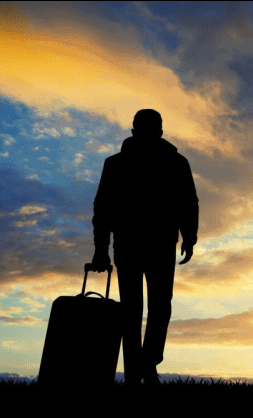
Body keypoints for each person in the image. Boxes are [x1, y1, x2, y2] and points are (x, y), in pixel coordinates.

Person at [91, 109, 199, 386]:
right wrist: (101, 248)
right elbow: (103, 208)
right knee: (134, 309)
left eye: (153, 128)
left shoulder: (177, 162)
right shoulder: (115, 164)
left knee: (157, 307)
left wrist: (189, 235)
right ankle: (135, 372)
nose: (150, 133)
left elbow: (188, 202)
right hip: (130, 244)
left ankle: (146, 366)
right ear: (135, 131)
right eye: (145, 127)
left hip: (160, 244)